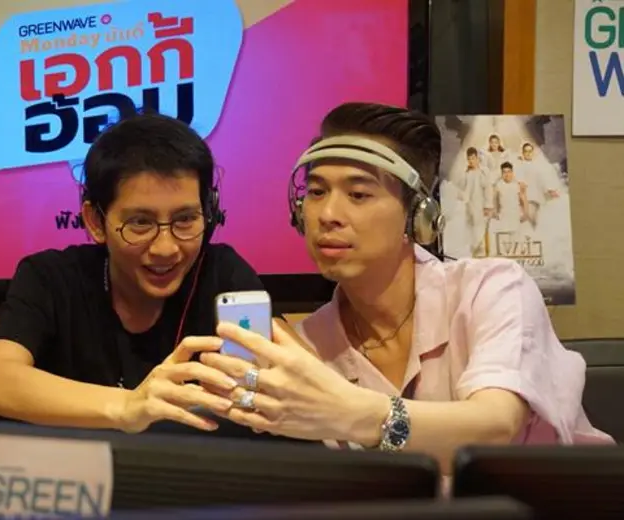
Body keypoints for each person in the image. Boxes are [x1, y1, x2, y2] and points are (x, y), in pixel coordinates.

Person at [197, 102, 613, 474]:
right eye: (317, 192)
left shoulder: (491, 289)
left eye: (359, 194)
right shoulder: (308, 346)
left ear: (419, 216)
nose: (327, 214)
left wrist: (348, 411)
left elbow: (495, 428)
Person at [0, 112, 277, 433]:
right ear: (95, 221)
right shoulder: (49, 277)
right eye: (140, 223)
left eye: (185, 219)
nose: (165, 248)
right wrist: (130, 406)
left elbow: (296, 374)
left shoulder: (224, 274)